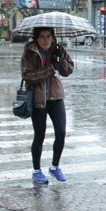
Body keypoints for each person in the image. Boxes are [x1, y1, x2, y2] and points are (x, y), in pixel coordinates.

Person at [20, 27, 74, 184]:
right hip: (38, 99)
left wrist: (60, 60)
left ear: (52, 37)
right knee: (39, 136)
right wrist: (50, 69)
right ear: (36, 38)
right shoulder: (29, 52)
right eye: (42, 36)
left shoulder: (58, 49)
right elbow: (27, 76)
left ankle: (55, 166)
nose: (45, 40)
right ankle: (36, 170)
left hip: (56, 96)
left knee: (61, 132)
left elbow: (68, 70)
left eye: (48, 36)